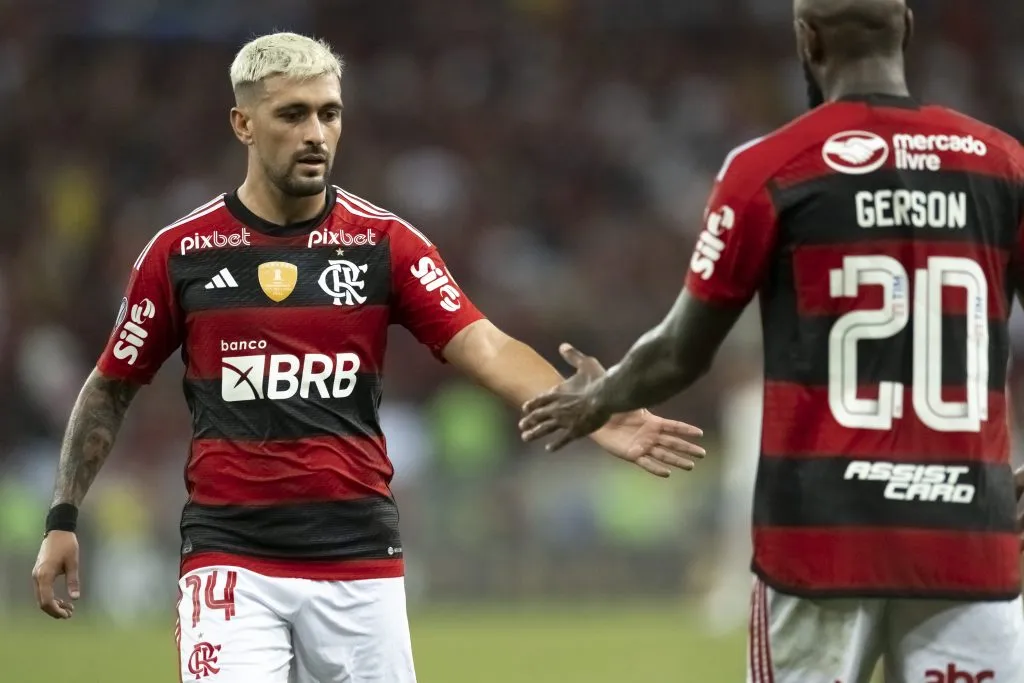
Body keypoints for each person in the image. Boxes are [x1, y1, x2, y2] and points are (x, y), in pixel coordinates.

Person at [29, 32, 705, 683]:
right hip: (230, 557)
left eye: (329, 113)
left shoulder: (384, 244)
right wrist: (64, 515)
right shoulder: (181, 253)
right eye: (292, 115)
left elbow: (486, 344)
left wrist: (594, 408)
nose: (315, 133)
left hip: (357, 562)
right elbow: (110, 386)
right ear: (242, 123)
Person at [519, 0, 1024, 680]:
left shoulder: (771, 167)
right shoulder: (1002, 164)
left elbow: (680, 351)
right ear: (906, 24)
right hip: (966, 534)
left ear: (806, 38)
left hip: (819, 542)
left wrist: (598, 398)